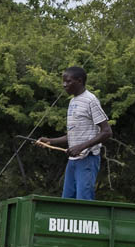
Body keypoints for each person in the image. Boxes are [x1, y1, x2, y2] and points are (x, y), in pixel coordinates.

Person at [38, 66, 112, 200]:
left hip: (87, 158)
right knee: (67, 202)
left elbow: (106, 132)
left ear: (79, 81)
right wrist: (50, 141)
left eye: (68, 81)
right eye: (63, 81)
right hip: (73, 161)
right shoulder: (72, 101)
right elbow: (73, 135)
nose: (64, 85)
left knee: (83, 200)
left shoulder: (91, 100)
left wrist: (81, 147)